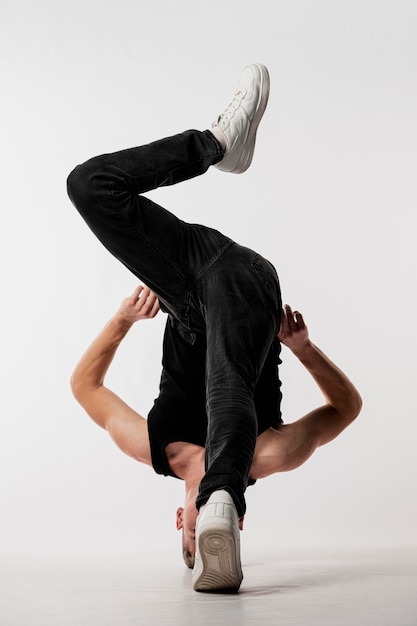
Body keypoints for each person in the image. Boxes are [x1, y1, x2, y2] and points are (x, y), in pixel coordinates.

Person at [67, 63, 361, 592]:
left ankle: (219, 144)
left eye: (197, 538)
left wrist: (122, 320)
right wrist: (305, 350)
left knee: (90, 187)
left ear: (182, 520)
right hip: (249, 292)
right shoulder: (270, 454)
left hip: (189, 288)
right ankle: (225, 490)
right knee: (228, 392)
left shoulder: (151, 445)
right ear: (238, 528)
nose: (203, 533)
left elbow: (84, 388)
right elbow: (347, 409)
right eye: (215, 540)